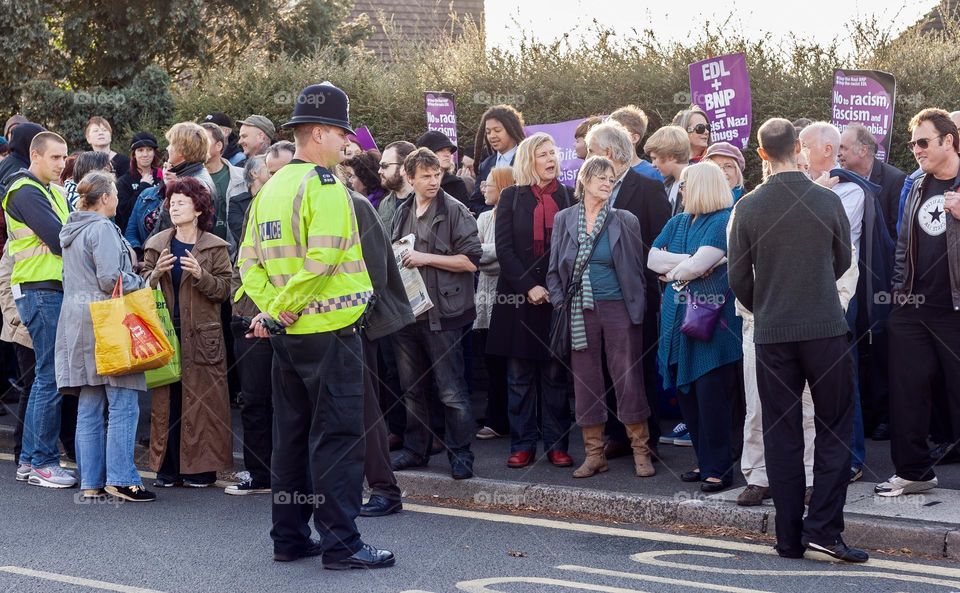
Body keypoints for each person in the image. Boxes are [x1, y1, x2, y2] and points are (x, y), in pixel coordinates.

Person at [238, 82, 395, 569]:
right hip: (331, 332)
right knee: (338, 441)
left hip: (288, 340)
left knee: (291, 438)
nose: (348, 143)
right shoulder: (325, 186)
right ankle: (343, 545)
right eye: (343, 134)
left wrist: (272, 313)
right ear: (322, 133)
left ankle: (288, 536)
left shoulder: (270, 189)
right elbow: (324, 259)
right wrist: (285, 311)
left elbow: (248, 263)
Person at [728, 117, 865, 563]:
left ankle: (789, 538)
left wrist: (766, 303)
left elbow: (737, 278)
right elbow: (842, 260)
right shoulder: (826, 201)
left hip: (772, 334)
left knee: (780, 433)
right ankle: (825, 527)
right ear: (800, 151)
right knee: (833, 429)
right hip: (825, 329)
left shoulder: (747, 207)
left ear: (762, 154)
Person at [547, 156, 652, 478]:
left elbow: (636, 269)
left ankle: (641, 452)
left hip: (619, 307)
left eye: (611, 179)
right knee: (585, 382)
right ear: (584, 180)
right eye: (601, 178)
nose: (607, 183)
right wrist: (560, 303)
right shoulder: (565, 219)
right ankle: (595, 454)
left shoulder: (625, 220)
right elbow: (554, 271)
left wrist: (639, 305)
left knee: (627, 377)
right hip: (579, 310)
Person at [56, 171, 156, 502]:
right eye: (113, 193)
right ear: (103, 198)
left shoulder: (72, 228)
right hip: (109, 321)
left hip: (78, 320)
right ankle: (123, 479)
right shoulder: (101, 228)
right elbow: (110, 277)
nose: (116, 198)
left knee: (90, 401)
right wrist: (143, 284)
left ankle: (91, 482)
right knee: (124, 401)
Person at [877, 108, 960, 499]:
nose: (916, 150)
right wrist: (899, 292)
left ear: (948, 140)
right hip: (912, 305)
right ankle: (913, 472)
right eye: (912, 143)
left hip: (955, 309)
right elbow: (901, 243)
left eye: (923, 142)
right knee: (908, 390)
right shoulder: (913, 183)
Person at [389, 147, 482, 480]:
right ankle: (416, 450)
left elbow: (472, 261)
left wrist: (425, 258)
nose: (432, 180)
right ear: (410, 178)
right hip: (409, 313)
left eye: (436, 174)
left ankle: (461, 454)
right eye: (425, 175)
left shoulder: (456, 210)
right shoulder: (401, 211)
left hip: (446, 312)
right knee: (412, 388)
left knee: (451, 390)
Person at [648, 162, 742, 492]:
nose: (681, 189)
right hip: (677, 323)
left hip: (713, 327)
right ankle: (705, 461)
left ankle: (719, 468)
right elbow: (651, 259)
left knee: (712, 397)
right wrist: (689, 263)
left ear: (701, 186)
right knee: (688, 398)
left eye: (686, 184)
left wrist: (684, 266)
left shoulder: (722, 220)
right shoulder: (677, 222)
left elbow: (699, 265)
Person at [485, 134, 574, 467]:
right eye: (543, 154)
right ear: (528, 160)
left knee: (555, 375)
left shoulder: (567, 195)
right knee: (519, 376)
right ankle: (522, 445)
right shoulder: (510, 197)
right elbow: (504, 249)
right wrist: (528, 287)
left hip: (557, 296)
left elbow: (572, 247)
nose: (551, 159)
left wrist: (556, 287)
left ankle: (557, 444)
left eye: (553, 153)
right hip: (518, 300)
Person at [585, 121, 671, 461]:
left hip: (636, 294)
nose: (586, 159)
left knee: (639, 365)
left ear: (607, 153)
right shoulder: (590, 189)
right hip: (598, 296)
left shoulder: (648, 189)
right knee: (606, 365)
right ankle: (617, 434)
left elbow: (660, 241)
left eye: (591, 152)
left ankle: (647, 437)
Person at [141, 177, 233, 488]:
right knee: (167, 400)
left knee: (202, 402)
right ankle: (167, 470)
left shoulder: (215, 246)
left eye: (182, 201)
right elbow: (140, 286)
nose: (174, 205)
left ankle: (200, 471)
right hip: (165, 331)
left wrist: (201, 275)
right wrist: (155, 274)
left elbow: (225, 291)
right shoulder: (156, 244)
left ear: (198, 209)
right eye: (172, 201)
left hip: (202, 336)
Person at [4, 132, 76, 488]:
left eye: (64, 158)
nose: (62, 164)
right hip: (40, 291)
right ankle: (44, 463)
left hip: (48, 290)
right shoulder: (25, 190)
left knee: (45, 378)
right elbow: (60, 237)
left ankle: (31, 461)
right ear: (34, 155)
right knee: (49, 377)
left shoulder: (49, 190)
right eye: (55, 158)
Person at [800, 122, 868, 483]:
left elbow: (818, 229)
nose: (799, 152)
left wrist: (811, 191)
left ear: (827, 150)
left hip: (838, 293)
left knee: (843, 376)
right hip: (803, 294)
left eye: (805, 145)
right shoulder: (811, 185)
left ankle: (853, 457)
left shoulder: (850, 190)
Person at [126, 122, 217, 253]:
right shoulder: (194, 177)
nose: (168, 148)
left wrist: (147, 258)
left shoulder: (191, 185)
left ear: (182, 150)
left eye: (171, 144)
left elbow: (170, 231)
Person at [474, 166, 514, 441]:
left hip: (509, 297)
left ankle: (508, 418)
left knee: (510, 363)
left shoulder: (512, 215)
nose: (483, 189)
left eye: (489, 184)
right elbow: (471, 251)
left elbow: (504, 253)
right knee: (491, 362)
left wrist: (488, 252)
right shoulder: (484, 216)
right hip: (484, 299)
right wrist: (492, 253)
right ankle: (495, 417)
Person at [839, 123, 907, 242]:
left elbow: (897, 233)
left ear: (863, 150)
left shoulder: (895, 180)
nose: (839, 153)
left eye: (844, 148)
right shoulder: (841, 179)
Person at [469, 105, 526, 215]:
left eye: (497, 130)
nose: (492, 136)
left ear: (511, 129)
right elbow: (475, 204)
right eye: (488, 132)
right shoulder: (485, 165)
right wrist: (495, 214)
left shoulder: (526, 160)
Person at [201, 122, 247, 249]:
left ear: (219, 145)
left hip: (235, 254)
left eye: (204, 140)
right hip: (200, 254)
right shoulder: (189, 180)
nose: (198, 145)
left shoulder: (242, 178)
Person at [116, 132, 162, 234]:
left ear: (154, 152)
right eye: (140, 150)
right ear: (134, 154)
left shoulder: (162, 176)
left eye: (149, 150)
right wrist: (143, 187)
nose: (145, 154)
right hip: (134, 236)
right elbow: (124, 212)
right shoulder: (124, 181)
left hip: (160, 233)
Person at [645, 125, 691, 216]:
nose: (652, 164)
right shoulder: (667, 185)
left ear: (671, 156)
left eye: (654, 158)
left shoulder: (695, 184)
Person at [610, 105, 663, 181]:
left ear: (634, 138)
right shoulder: (606, 171)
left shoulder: (652, 173)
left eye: (617, 134)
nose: (610, 138)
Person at [416, 130, 470, 204]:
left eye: (448, 150)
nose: (447, 154)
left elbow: (464, 213)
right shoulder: (415, 182)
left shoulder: (456, 184)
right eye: (441, 150)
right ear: (427, 154)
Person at [376, 141, 417, 230]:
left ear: (404, 168)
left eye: (384, 165)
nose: (379, 171)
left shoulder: (429, 201)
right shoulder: (385, 204)